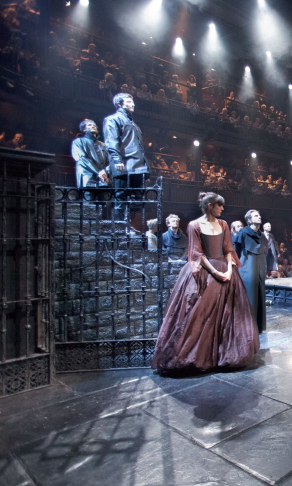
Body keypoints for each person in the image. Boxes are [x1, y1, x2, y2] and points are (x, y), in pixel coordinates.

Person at [152, 192, 259, 372]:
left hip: (226, 270)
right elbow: (197, 254)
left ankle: (224, 355)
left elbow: (228, 249)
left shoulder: (223, 224)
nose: (222, 209)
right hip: (206, 270)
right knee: (202, 313)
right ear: (210, 206)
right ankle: (200, 355)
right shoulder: (194, 225)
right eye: (220, 206)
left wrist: (229, 270)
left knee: (228, 314)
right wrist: (216, 272)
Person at [103, 93, 150, 226]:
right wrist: (117, 160)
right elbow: (112, 141)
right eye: (129, 102)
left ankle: (126, 224)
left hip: (137, 165)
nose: (133, 104)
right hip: (125, 165)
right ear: (119, 104)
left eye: (132, 101)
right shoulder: (113, 119)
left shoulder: (132, 123)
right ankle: (118, 226)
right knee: (120, 197)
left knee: (137, 198)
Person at [233, 209, 268, 334]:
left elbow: (264, 252)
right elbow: (236, 251)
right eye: (255, 216)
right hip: (247, 266)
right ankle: (247, 326)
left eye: (259, 215)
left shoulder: (262, 235)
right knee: (250, 295)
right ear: (249, 220)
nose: (259, 217)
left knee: (259, 294)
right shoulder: (243, 233)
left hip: (259, 267)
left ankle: (258, 326)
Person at [71, 119, 110, 188]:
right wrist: (98, 172)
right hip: (88, 178)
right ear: (83, 129)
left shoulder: (103, 145)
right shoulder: (78, 142)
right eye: (89, 125)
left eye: (94, 125)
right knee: (89, 197)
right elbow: (82, 159)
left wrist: (105, 171)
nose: (93, 126)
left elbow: (109, 161)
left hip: (103, 180)